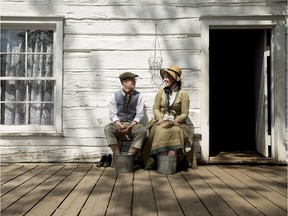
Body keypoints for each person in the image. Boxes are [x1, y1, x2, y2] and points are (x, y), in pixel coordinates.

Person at [142, 65, 193, 170]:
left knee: (176, 131)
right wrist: (159, 117)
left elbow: (184, 113)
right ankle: (161, 161)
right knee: (160, 131)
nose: (165, 79)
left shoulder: (183, 94)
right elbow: (156, 107)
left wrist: (177, 120)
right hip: (161, 120)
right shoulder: (161, 91)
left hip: (175, 121)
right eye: (164, 77)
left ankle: (171, 161)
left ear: (175, 79)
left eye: (167, 77)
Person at [99, 72, 147, 167]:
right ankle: (117, 156)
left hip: (132, 124)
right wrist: (121, 126)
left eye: (134, 80)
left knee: (142, 130)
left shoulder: (139, 96)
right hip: (118, 124)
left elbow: (139, 115)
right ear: (124, 82)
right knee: (108, 128)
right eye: (132, 80)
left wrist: (130, 126)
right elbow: (113, 115)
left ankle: (129, 157)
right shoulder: (115, 96)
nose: (134, 82)